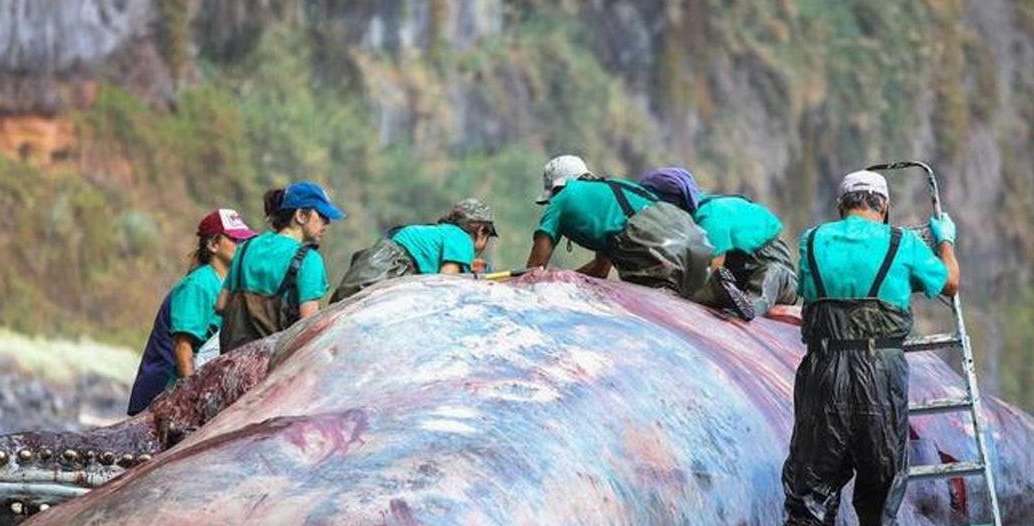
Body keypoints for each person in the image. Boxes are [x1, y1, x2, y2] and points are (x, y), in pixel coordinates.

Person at [765, 170, 960, 526]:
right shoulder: (901, 243)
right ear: (884, 207)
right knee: (880, 495)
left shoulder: (811, 242)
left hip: (822, 373)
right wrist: (945, 241)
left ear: (841, 205)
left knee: (810, 492)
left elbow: (807, 293)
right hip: (880, 375)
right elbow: (950, 284)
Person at [525, 155, 752, 315]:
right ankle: (712, 286)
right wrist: (563, 279)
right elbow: (600, 269)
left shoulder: (562, 198)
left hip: (648, 235)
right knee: (686, 289)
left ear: (557, 186)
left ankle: (711, 291)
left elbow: (534, 269)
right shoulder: (611, 191)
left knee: (657, 295)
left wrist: (527, 285)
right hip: (687, 229)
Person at [127, 209, 257, 415]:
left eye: (244, 241)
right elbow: (183, 347)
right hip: (164, 394)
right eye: (235, 240)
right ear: (213, 245)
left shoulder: (227, 285)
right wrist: (193, 401)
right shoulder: (198, 285)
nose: (242, 246)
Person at [640, 167, 799, 318]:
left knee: (769, 277)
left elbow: (716, 266)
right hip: (736, 275)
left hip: (774, 270)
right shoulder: (689, 222)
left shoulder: (710, 216)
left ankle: (749, 307)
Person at [216, 182, 345, 353]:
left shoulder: (247, 247)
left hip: (232, 359)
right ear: (301, 216)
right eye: (322, 215)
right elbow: (309, 329)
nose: (326, 223)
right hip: (273, 368)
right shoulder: (309, 260)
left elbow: (221, 305)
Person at [331, 198, 497, 302]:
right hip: (388, 269)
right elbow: (447, 282)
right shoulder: (461, 238)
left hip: (372, 262)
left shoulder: (439, 232)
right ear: (482, 230)